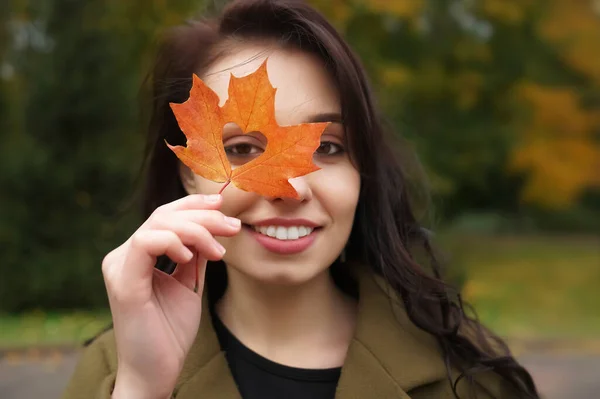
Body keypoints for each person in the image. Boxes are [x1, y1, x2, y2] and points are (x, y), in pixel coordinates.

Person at [62, 1, 539, 398]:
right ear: (188, 174)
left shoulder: (472, 377)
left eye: (328, 147)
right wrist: (144, 388)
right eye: (241, 149)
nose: (289, 187)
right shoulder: (110, 375)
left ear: (363, 174)